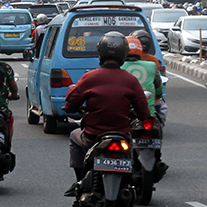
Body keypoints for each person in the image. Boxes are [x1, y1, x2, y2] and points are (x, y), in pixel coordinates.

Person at [60, 31, 152, 197]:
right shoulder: (131, 80)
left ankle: (80, 181)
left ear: (100, 52)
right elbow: (144, 112)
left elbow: (71, 103)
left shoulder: (90, 77)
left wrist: (71, 108)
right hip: (122, 135)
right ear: (124, 54)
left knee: (74, 136)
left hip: (92, 136)